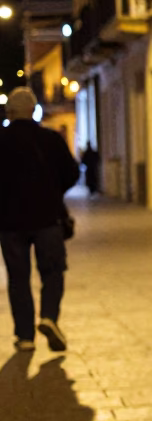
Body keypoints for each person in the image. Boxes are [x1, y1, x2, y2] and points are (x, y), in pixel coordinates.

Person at [0, 87, 78, 352]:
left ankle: (24, 337)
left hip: (9, 222)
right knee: (53, 271)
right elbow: (72, 173)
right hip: (47, 217)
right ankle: (48, 317)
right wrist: (53, 191)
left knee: (17, 277)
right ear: (33, 111)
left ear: (9, 112)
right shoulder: (50, 140)